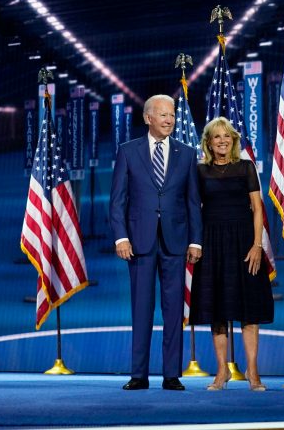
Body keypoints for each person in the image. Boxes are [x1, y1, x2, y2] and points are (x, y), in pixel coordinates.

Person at [109, 94, 202, 391]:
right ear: (148, 118)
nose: (169, 120)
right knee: (141, 308)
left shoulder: (186, 153)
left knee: (174, 310)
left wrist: (196, 241)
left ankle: (171, 374)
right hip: (139, 242)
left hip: (176, 242)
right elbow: (117, 201)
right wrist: (121, 236)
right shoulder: (127, 151)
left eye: (172, 115)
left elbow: (192, 201)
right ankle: (139, 374)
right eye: (163, 115)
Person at [190, 116, 273, 391]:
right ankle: (221, 372)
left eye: (227, 136)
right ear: (209, 143)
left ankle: (253, 372)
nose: (223, 141)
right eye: (217, 137)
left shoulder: (246, 167)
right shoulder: (200, 172)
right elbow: (193, 209)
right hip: (212, 244)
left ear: (233, 140)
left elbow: (258, 209)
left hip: (244, 245)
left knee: (249, 310)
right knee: (217, 310)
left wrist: (257, 245)